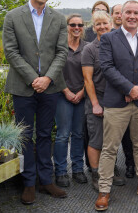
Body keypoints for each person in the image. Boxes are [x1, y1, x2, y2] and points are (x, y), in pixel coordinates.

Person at [2, 0, 68, 205]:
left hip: (50, 88)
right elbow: (11, 51)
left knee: (45, 134)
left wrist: (48, 78)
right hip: (22, 87)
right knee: (25, 135)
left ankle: (45, 180)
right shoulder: (13, 16)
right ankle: (28, 183)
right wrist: (33, 78)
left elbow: (62, 52)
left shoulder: (59, 19)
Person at [95, 0, 138, 211]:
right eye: (128, 12)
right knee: (110, 148)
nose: (132, 16)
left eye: (136, 13)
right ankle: (104, 190)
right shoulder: (108, 38)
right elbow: (107, 67)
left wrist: (137, 90)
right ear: (121, 15)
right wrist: (127, 89)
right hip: (117, 102)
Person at [82, 10, 125, 191]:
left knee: (112, 139)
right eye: (98, 24)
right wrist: (95, 104)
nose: (102, 27)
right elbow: (88, 79)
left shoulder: (119, 45)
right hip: (98, 98)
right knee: (96, 140)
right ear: (94, 27)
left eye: (105, 23)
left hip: (116, 99)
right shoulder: (90, 49)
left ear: (111, 24)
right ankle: (96, 173)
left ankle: (109, 169)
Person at [53, 14, 88, 187]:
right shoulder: (59, 47)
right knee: (62, 135)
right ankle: (60, 172)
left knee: (79, 134)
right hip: (62, 95)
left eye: (80, 24)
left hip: (82, 96)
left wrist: (82, 92)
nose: (76, 27)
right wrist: (66, 91)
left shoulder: (87, 48)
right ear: (67, 26)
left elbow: (92, 74)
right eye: (73, 24)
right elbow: (55, 71)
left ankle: (78, 169)